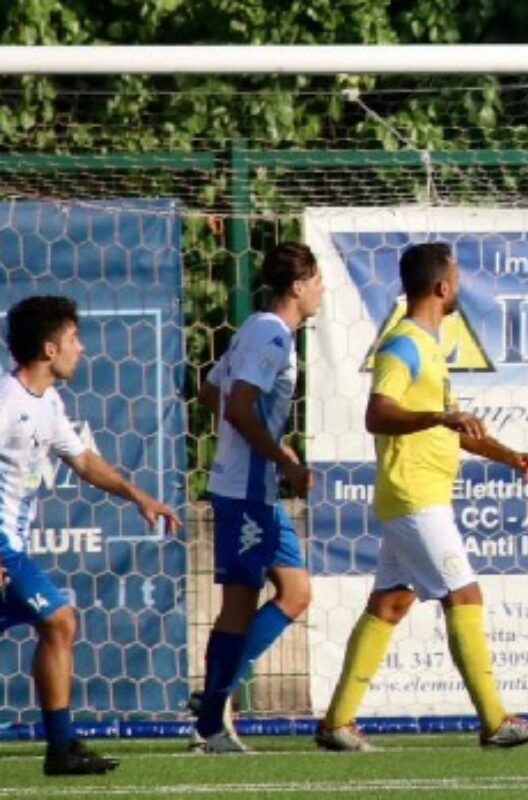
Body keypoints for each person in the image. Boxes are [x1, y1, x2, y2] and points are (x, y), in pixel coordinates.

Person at [313, 242, 528, 751]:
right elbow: (378, 414)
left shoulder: (429, 347)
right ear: (442, 287)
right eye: (458, 278)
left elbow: (453, 429)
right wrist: (438, 417)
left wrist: (511, 456)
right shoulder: (402, 344)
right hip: (414, 495)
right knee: (464, 595)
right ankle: (495, 721)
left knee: (391, 603)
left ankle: (337, 724)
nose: (460, 287)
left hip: (421, 495)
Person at [1, 295, 182, 775]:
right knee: (59, 619)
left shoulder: (48, 403)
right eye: (73, 339)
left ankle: (62, 747)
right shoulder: (6, 401)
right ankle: (61, 748)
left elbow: (82, 460)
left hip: (12, 547)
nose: (81, 348)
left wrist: (138, 496)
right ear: (48, 348)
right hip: (1, 546)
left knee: (59, 623)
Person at [189, 243, 324, 753]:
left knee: (296, 591)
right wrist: (284, 458)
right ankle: (209, 723)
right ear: (298, 286)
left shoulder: (254, 328)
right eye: (317, 281)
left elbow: (210, 392)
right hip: (245, 491)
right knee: (237, 606)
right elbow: (238, 408)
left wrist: (274, 443)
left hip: (257, 490)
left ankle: (213, 702)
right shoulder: (272, 336)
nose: (322, 290)